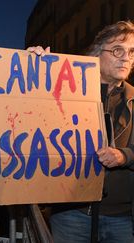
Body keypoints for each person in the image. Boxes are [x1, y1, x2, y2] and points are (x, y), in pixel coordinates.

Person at [30, 21, 134, 242]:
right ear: (97, 54)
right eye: (118, 50)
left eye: (131, 52)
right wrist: (35, 71)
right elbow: (32, 117)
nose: (126, 58)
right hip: (71, 213)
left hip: (122, 217)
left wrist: (124, 156)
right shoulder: (67, 89)